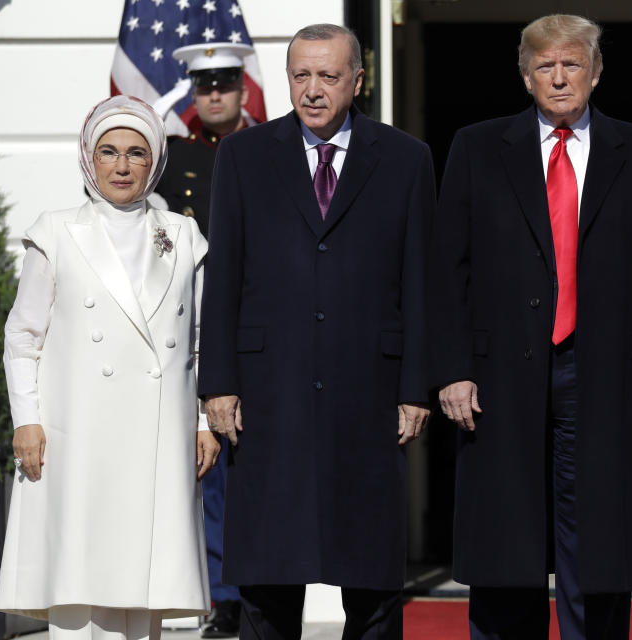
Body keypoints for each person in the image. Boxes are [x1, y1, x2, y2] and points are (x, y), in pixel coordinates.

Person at [428, 14, 632, 639]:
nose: (559, 77)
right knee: (505, 533)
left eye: (572, 63)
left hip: (605, 374)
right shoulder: (476, 146)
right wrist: (453, 369)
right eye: (545, 66)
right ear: (524, 76)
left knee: (596, 537)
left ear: (596, 73)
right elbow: (448, 270)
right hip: (497, 376)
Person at [198, 23, 433, 640]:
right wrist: (217, 383)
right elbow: (223, 277)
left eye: (328, 76)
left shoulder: (406, 158)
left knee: (373, 585)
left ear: (358, 80)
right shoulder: (244, 157)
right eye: (301, 75)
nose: (313, 90)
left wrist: (415, 387)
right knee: (268, 584)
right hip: (268, 396)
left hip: (370, 395)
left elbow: (419, 282)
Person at [0, 94, 217, 640]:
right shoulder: (56, 230)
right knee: (78, 583)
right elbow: (22, 337)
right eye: (108, 151)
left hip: (158, 437)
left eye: (136, 152)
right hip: (76, 437)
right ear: (88, 160)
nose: (121, 165)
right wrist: (26, 419)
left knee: (145, 590)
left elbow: (198, 341)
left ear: (155, 161)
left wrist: (203, 422)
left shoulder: (183, 236)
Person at [154, 41, 254, 638]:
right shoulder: (172, 158)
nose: (214, 94)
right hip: (194, 321)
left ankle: (262, 587)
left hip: (260, 321)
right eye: (204, 86)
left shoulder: (271, 148)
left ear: (244, 90)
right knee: (208, 461)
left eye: (224, 84)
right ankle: (224, 596)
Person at [154, 42, 255, 239]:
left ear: (243, 95)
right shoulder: (173, 154)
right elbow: (104, 187)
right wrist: (147, 125)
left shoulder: (267, 149)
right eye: (206, 90)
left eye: (224, 88)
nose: (215, 97)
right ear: (194, 99)